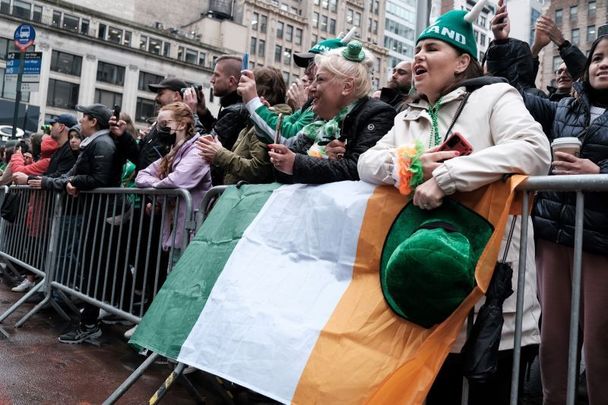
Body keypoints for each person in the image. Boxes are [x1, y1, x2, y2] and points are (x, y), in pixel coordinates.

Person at [357, 2, 551, 403]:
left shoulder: (496, 96)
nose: (418, 58)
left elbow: (534, 151)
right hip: (424, 302)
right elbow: (366, 163)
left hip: (494, 302)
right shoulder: (406, 116)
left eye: (431, 49)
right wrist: (413, 165)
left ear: (463, 61)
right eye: (416, 49)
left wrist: (447, 178)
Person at [491, 6, 608, 402]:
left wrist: (599, 171)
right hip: (554, 237)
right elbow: (513, 90)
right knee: (553, 340)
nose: (603, 65)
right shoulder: (562, 108)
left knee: (599, 343)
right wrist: (505, 44)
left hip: (601, 243)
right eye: (598, 57)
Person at [269, 41, 396, 184]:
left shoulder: (378, 114)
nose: (310, 88)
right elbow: (282, 171)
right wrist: (316, 158)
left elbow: (359, 169)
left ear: (347, 87)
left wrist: (300, 163)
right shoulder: (319, 119)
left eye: (320, 79)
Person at [56, 103, 119, 344]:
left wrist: (75, 181)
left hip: (100, 215)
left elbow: (99, 178)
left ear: (93, 121)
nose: (80, 122)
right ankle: (88, 321)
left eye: (84, 118)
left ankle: (90, 325)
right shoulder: (94, 143)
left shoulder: (101, 143)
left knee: (93, 271)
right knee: (90, 269)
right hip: (95, 214)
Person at [136, 102, 212, 256]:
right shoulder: (172, 153)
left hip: (192, 232)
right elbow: (141, 175)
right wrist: (159, 186)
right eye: (158, 124)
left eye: (165, 124)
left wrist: (157, 189)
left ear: (182, 124)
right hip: (176, 231)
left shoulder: (198, 150)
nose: (159, 129)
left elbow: (175, 182)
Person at [199, 67, 289, 185]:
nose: (242, 100)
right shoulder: (255, 120)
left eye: (246, 92)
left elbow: (258, 170)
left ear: (260, 94)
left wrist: (219, 154)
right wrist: (218, 152)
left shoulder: (267, 121)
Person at [530, 15, 586, 101]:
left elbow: (586, 74)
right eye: (559, 72)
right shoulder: (545, 101)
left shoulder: (582, 104)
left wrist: (562, 43)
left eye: (568, 71)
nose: (563, 75)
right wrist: (536, 48)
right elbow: (523, 86)